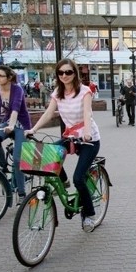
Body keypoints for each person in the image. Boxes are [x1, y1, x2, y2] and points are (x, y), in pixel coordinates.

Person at [26, 59, 101, 233]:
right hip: (70, 137)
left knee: (79, 178)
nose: (64, 76)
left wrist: (87, 132)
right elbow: (48, 113)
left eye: (68, 72)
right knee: (49, 154)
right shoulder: (58, 93)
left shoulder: (84, 91)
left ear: (74, 73)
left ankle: (89, 214)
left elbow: (87, 113)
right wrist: (33, 129)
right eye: (61, 73)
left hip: (89, 139)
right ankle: (64, 182)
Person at [0, 65, 32, 205]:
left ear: (9, 77)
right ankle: (4, 168)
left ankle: (22, 194)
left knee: (17, 160)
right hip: (7, 122)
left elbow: (15, 109)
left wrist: (12, 126)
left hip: (21, 124)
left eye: (0, 76)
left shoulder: (17, 89)